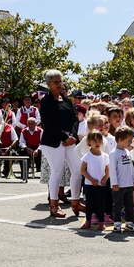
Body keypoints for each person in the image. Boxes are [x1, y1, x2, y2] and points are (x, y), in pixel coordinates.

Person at [39, 70, 80, 218]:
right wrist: (64, 137)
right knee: (57, 171)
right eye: (55, 82)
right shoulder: (46, 101)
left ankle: (76, 201)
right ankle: (54, 204)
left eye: (60, 81)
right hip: (52, 141)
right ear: (48, 84)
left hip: (69, 140)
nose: (59, 84)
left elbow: (75, 119)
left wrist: (73, 136)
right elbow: (48, 123)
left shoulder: (67, 100)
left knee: (77, 169)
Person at [109, 126, 134, 233]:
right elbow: (112, 170)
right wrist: (114, 184)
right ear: (120, 140)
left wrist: (133, 180)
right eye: (128, 140)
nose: (130, 142)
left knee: (129, 204)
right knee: (118, 204)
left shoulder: (127, 152)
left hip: (128, 184)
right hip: (119, 185)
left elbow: (131, 167)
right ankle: (117, 223)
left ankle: (129, 222)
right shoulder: (114, 154)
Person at [79, 131, 109, 230]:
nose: (97, 143)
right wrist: (91, 180)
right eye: (95, 140)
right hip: (89, 184)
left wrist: (105, 179)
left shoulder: (105, 156)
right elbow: (83, 170)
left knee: (101, 203)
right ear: (89, 142)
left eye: (99, 140)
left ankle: (101, 221)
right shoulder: (87, 156)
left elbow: (108, 169)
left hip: (101, 184)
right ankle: (88, 221)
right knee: (89, 204)